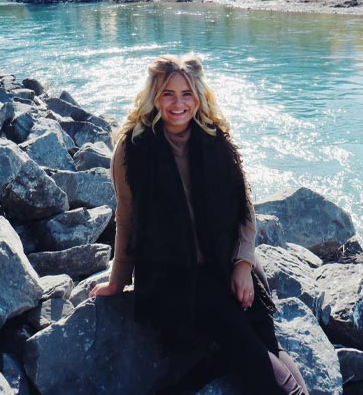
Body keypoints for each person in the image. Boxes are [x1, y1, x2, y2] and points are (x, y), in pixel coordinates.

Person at [89, 55, 308, 394]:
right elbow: (127, 217)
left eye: (187, 94)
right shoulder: (133, 148)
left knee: (266, 339)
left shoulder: (215, 138)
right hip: (177, 276)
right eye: (168, 94)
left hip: (226, 259)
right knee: (250, 350)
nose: (178, 104)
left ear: (199, 97)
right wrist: (117, 281)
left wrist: (243, 263)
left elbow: (243, 207)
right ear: (153, 97)